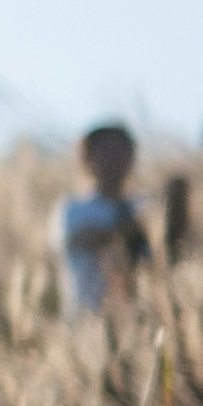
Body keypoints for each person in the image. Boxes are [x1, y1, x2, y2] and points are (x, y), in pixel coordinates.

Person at [58, 125, 154, 320]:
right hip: (87, 320)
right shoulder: (75, 209)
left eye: (121, 151)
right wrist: (133, 228)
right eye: (106, 151)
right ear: (87, 159)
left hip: (136, 319)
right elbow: (87, 239)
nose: (114, 159)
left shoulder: (143, 205)